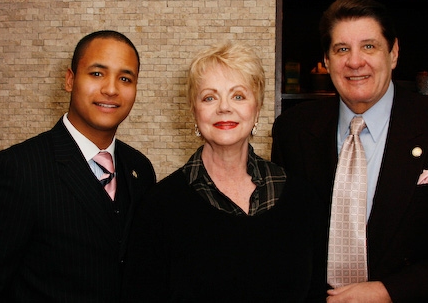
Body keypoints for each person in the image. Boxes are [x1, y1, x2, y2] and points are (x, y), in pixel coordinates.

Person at [272, 0, 428, 302]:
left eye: (369, 46)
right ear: (328, 60)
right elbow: (284, 238)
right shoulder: (293, 130)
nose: (355, 61)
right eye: (342, 49)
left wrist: (390, 292)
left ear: (394, 52)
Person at [0, 30, 156, 302]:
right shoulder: (16, 170)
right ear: (70, 79)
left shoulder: (140, 169)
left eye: (125, 78)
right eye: (97, 74)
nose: (111, 89)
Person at [124, 41, 325, 302]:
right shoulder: (159, 206)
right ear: (194, 113)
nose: (224, 107)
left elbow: (317, 294)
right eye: (209, 97)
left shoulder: (302, 198)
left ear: (257, 110)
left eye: (238, 96)